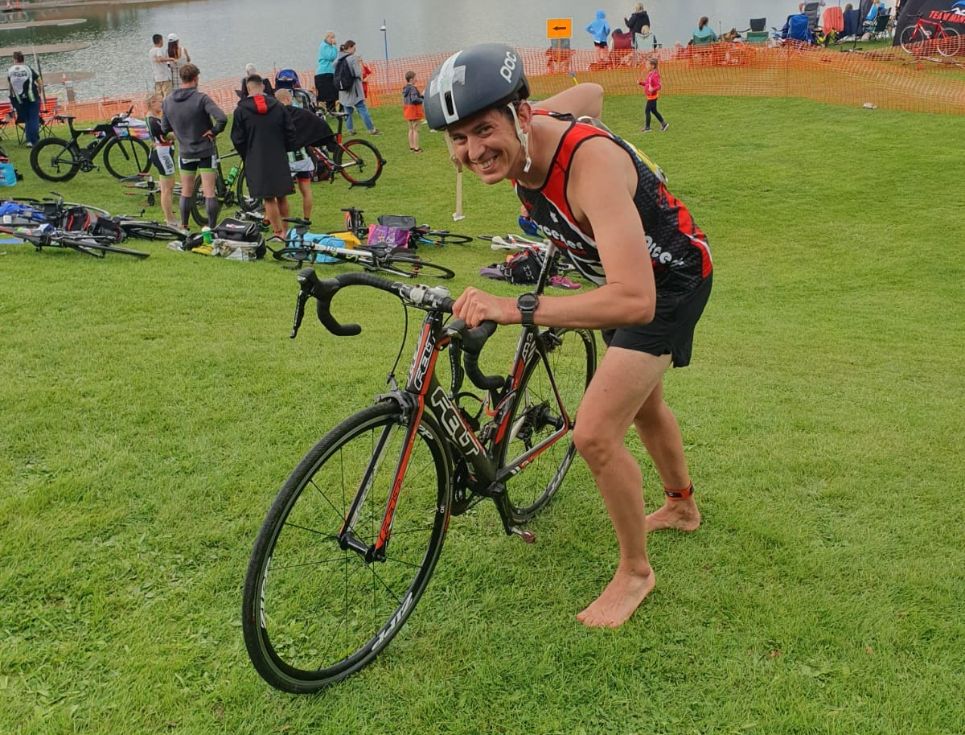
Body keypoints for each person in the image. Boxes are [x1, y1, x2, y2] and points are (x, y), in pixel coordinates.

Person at [425, 44, 712, 629]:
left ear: (519, 117)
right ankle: (682, 508)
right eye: (459, 138)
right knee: (643, 405)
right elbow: (593, 96)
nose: (474, 151)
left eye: (485, 129)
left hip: (668, 282)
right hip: (621, 278)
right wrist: (535, 113)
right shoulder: (529, 132)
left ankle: (636, 573)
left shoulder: (590, 167)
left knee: (595, 434)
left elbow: (637, 300)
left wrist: (516, 307)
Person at [161, 63, 227, 230]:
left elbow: (164, 129)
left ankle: (184, 225)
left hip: (185, 152)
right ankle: (211, 228)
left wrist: (179, 135)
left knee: (186, 190)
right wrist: (213, 131)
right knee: (209, 192)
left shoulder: (168, 100)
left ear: (181, 78)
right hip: (205, 150)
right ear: (196, 78)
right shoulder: (202, 98)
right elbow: (222, 118)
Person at [231, 74, 296, 238]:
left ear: (248, 88)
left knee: (268, 198)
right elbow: (290, 131)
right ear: (263, 87)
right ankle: (286, 231)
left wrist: (247, 154)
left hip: (257, 157)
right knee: (282, 195)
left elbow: (237, 138)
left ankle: (277, 231)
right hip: (278, 154)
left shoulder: (241, 110)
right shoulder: (278, 106)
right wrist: (284, 148)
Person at [274, 87, 331, 221]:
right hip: (303, 159)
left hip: (286, 161)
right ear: (289, 99)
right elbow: (318, 123)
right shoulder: (302, 114)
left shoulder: (276, 117)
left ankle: (276, 221)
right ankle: (306, 219)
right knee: (306, 191)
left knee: (279, 194)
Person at [145, 93, 177, 227]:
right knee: (167, 188)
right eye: (160, 102)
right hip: (162, 153)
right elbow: (168, 135)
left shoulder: (155, 117)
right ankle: (169, 219)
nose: (162, 104)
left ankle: (170, 215)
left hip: (164, 151)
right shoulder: (153, 121)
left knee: (167, 187)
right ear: (152, 103)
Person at [335, 41, 379, 135]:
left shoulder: (338, 59)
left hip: (343, 90)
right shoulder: (353, 58)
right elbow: (358, 73)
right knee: (362, 108)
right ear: (350, 47)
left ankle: (350, 130)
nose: (355, 50)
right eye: (354, 48)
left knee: (347, 110)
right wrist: (359, 64)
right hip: (354, 89)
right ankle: (371, 129)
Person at [7, 51, 42, 147]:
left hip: (19, 99)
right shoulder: (28, 69)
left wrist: (12, 98)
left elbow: (10, 85)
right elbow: (39, 80)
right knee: (34, 119)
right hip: (32, 97)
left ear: (14, 59)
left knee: (27, 119)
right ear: (23, 59)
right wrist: (40, 90)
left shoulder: (10, 70)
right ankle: (34, 141)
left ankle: (29, 140)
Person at [639, 57, 668, 133]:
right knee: (654, 111)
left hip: (652, 97)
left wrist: (653, 89)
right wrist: (641, 83)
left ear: (652, 66)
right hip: (650, 96)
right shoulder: (650, 74)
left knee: (647, 111)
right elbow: (647, 84)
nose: (646, 66)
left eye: (647, 64)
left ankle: (647, 128)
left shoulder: (654, 75)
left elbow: (659, 86)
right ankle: (664, 124)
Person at [402, 70, 424, 153]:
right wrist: (422, 99)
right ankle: (416, 148)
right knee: (416, 129)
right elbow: (414, 99)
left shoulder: (405, 88)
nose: (416, 80)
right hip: (414, 111)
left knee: (410, 129)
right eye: (415, 78)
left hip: (407, 110)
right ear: (411, 79)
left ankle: (411, 147)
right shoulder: (413, 88)